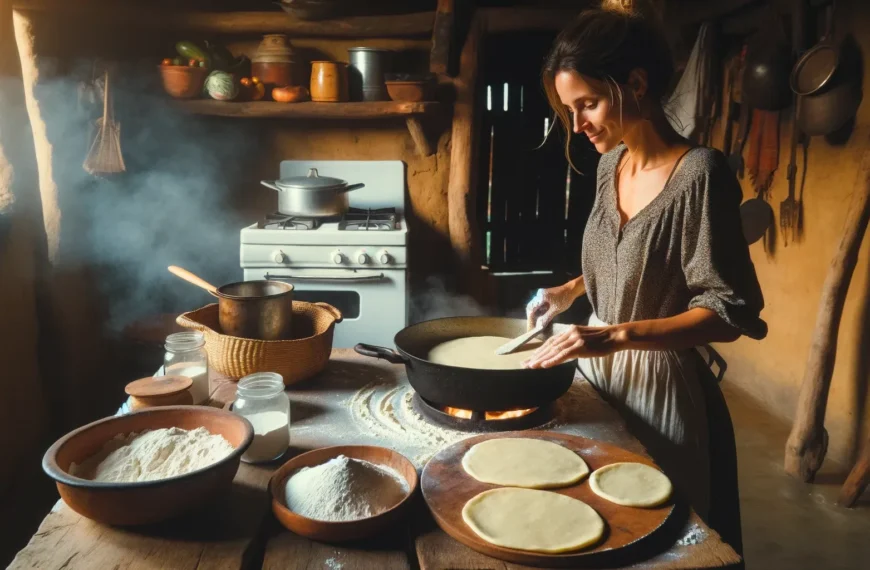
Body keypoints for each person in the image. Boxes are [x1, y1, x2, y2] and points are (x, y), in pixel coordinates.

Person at [522, 0, 766, 518]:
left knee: (651, 526)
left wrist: (615, 336)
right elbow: (625, 258)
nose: (578, 124)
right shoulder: (612, 166)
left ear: (634, 84)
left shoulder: (699, 175)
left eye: (586, 104)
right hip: (598, 371)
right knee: (588, 516)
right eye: (569, 110)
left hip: (659, 381)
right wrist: (567, 292)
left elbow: (727, 314)